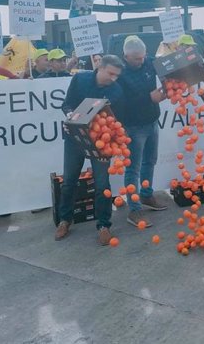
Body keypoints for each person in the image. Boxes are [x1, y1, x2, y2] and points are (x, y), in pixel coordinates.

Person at [55, 55, 125, 245]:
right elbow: (66, 104)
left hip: (100, 142)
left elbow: (114, 120)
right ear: (99, 67)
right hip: (74, 139)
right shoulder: (80, 79)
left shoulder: (116, 90)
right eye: (110, 73)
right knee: (69, 180)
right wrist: (71, 116)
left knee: (102, 184)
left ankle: (104, 225)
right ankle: (64, 220)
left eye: (117, 75)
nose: (113, 78)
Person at [118, 35, 168, 228]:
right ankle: (134, 209)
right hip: (133, 126)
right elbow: (122, 103)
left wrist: (168, 80)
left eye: (143, 57)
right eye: (137, 58)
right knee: (133, 168)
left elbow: (165, 68)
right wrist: (149, 98)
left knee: (150, 161)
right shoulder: (119, 73)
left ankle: (147, 195)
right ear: (126, 56)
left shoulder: (148, 62)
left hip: (152, 121)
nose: (141, 61)